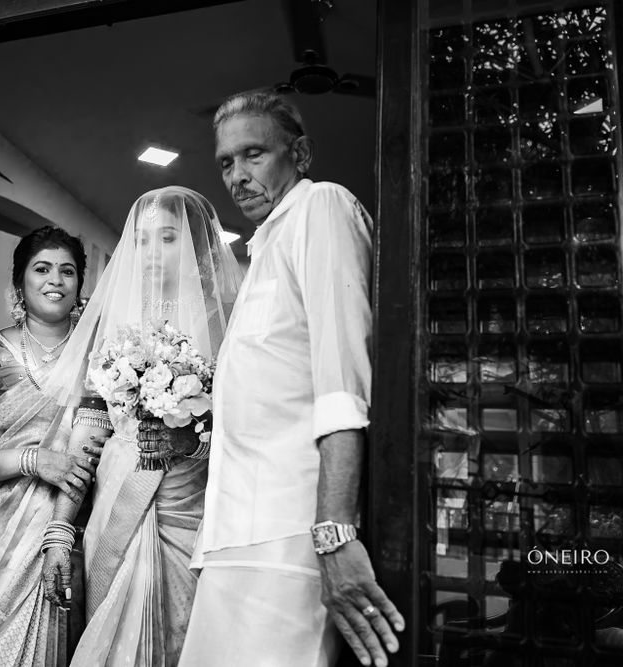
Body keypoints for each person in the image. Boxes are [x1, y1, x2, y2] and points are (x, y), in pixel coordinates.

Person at [179, 91, 405, 667]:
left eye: (253, 154)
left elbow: (342, 381)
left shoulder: (321, 208)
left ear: (299, 154)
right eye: (226, 163)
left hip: (291, 533)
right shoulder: (259, 252)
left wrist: (335, 533)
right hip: (233, 531)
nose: (237, 175)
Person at [39, 186, 244, 666]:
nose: (152, 252)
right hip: (118, 494)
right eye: (144, 239)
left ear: (198, 247)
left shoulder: (229, 324)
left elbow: (249, 423)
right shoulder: (114, 323)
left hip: (192, 503)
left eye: (168, 238)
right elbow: (89, 428)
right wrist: (60, 530)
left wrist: (192, 437)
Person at [0, 226, 99, 667]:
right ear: (19, 283)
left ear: (79, 287)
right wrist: (32, 460)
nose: (55, 280)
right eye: (42, 269)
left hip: (66, 529)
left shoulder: (102, 360)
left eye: (68, 272)